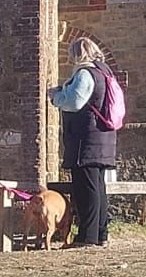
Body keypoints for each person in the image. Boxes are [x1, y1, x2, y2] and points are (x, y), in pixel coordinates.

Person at [48, 36, 119, 247]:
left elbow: (75, 101)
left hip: (86, 139)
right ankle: (100, 234)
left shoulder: (85, 73)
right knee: (98, 187)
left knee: (86, 189)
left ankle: (87, 236)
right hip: (102, 137)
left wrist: (55, 98)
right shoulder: (104, 72)